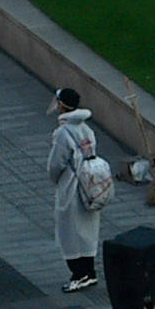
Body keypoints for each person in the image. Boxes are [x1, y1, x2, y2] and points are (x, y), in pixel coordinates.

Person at [46, 88, 110, 291]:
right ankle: (89, 271)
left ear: (62, 105)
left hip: (72, 186)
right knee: (88, 230)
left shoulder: (63, 132)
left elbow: (56, 164)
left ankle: (79, 273)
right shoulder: (86, 128)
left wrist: (56, 179)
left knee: (70, 231)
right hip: (90, 183)